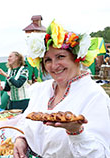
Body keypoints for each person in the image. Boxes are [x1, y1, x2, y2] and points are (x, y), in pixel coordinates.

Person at [13, 20, 110, 158]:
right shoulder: (41, 90)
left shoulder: (94, 95)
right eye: (48, 60)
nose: (54, 66)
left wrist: (76, 132)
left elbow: (100, 154)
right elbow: (25, 120)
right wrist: (21, 138)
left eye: (60, 57)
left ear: (77, 58)